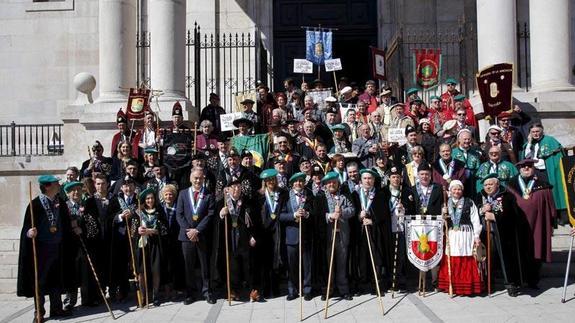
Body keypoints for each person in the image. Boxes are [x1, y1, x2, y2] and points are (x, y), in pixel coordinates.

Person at [17, 175, 74, 322]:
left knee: (56, 280)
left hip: (58, 248)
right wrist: (29, 233)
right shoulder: (34, 205)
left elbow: (65, 223)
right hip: (41, 250)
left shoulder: (60, 202)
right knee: (40, 282)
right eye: (56, 184)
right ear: (47, 186)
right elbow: (26, 228)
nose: (59, 185)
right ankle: (39, 312)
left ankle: (56, 309)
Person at [507, 159, 556, 288]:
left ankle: (533, 280)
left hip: (537, 226)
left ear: (534, 168)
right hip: (517, 226)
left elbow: (551, 207)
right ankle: (517, 281)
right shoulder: (511, 185)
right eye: (523, 166)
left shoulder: (543, 185)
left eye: (529, 166)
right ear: (519, 168)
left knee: (535, 252)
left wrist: (551, 224)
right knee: (517, 253)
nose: (526, 168)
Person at [475, 175, 526, 297]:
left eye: (490, 184)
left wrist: (495, 217)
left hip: (503, 233)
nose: (487, 187)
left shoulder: (507, 196)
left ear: (497, 185)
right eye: (486, 185)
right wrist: (482, 209)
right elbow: (473, 210)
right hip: (485, 233)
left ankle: (510, 284)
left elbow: (512, 214)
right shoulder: (480, 195)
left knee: (506, 258)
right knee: (487, 259)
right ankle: (488, 284)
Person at [177, 168, 216, 304]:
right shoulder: (182, 194)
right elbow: (179, 214)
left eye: (200, 178)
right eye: (195, 178)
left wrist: (197, 230)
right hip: (186, 236)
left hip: (202, 235)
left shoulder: (209, 195)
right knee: (189, 266)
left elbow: (210, 214)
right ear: (190, 178)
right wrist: (189, 230)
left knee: (205, 265)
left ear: (203, 179)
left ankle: (207, 292)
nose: (198, 180)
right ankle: (190, 293)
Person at [217, 179, 261, 301]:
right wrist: (221, 215)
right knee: (233, 266)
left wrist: (252, 235)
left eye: (238, 187)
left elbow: (254, 221)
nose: (236, 189)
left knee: (248, 266)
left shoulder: (247, 202)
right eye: (234, 187)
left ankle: (252, 291)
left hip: (244, 237)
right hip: (230, 238)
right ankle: (233, 290)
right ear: (228, 189)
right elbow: (216, 224)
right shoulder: (223, 203)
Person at [314, 172, 355, 300]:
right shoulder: (320, 197)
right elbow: (318, 215)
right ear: (325, 185)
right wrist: (329, 216)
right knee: (328, 264)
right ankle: (328, 289)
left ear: (338, 183)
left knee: (342, 263)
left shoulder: (344, 196)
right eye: (329, 182)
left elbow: (352, 210)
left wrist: (342, 211)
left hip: (342, 234)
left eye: (334, 182)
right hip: (328, 235)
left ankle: (343, 289)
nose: (332, 184)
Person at [437, 180, 483, 295]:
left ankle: (466, 287)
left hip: (466, 233)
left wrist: (476, 236)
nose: (456, 191)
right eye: (454, 189)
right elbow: (442, 223)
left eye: (459, 189)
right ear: (450, 191)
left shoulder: (469, 202)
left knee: (466, 256)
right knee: (452, 256)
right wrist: (443, 215)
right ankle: (452, 285)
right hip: (452, 234)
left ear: (462, 191)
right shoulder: (445, 203)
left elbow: (475, 219)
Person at [64, 181, 102, 308]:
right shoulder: (64, 207)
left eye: (79, 190)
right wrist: (71, 229)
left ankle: (87, 299)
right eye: (73, 190)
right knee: (71, 273)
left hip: (84, 244)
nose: (76, 192)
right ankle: (70, 301)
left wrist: (82, 230)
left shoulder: (86, 206)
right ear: (68, 193)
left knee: (86, 272)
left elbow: (92, 224)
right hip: (69, 246)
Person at [353, 169, 392, 295]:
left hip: (375, 231)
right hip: (360, 232)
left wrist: (372, 221)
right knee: (361, 258)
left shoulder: (380, 195)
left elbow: (384, 214)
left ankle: (377, 284)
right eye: (365, 178)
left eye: (370, 178)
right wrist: (360, 216)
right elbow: (351, 213)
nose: (367, 181)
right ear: (361, 180)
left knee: (376, 258)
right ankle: (362, 285)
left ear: (374, 180)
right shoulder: (355, 194)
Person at [280, 172, 314, 301]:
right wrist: (294, 215)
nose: (298, 183)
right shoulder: (286, 197)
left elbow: (314, 213)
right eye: (296, 181)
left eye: (301, 181)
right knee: (291, 265)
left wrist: (307, 214)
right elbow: (281, 216)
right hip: (291, 236)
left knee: (307, 264)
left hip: (306, 235)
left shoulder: (309, 195)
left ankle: (307, 289)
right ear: (292, 184)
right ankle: (292, 290)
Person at [133, 187, 168, 306]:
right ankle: (143, 296)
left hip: (155, 244)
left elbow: (163, 229)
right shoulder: (138, 212)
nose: (150, 200)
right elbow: (133, 231)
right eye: (147, 198)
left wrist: (150, 231)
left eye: (152, 198)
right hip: (142, 245)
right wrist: (138, 230)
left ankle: (156, 295)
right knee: (142, 271)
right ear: (144, 200)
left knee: (156, 270)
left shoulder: (159, 211)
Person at [521, 123, 566, 212]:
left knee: (553, 192)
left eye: (537, 131)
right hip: (536, 172)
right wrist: (529, 142)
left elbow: (558, 156)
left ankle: (559, 214)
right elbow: (526, 156)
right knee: (540, 195)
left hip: (548, 171)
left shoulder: (550, 140)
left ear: (542, 131)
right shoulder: (529, 143)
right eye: (533, 132)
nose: (535, 134)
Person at [257, 168, 288, 298]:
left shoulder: (283, 193)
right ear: (264, 181)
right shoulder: (259, 195)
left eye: (272, 179)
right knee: (265, 261)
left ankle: (275, 288)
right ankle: (265, 288)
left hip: (278, 231)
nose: (271, 182)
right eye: (268, 180)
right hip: (264, 231)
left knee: (276, 260)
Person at [106, 177, 138, 302]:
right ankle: (122, 290)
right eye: (125, 186)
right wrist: (119, 216)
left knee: (135, 263)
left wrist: (135, 214)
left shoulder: (139, 199)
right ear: (121, 188)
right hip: (119, 238)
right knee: (120, 265)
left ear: (134, 187)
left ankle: (140, 290)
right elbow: (108, 219)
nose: (128, 188)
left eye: (130, 185)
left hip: (135, 237)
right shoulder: (115, 200)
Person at [384, 166, 415, 290]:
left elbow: (413, 208)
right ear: (389, 178)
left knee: (401, 254)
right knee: (390, 254)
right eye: (393, 177)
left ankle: (400, 279)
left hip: (401, 227)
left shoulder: (406, 191)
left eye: (398, 177)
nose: (396, 179)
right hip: (388, 227)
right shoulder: (384, 191)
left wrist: (405, 207)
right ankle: (390, 279)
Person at [160, 184, 185, 299]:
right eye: (166, 194)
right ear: (163, 196)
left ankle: (177, 288)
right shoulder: (160, 208)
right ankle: (166, 288)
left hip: (176, 240)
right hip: (163, 241)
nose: (168, 196)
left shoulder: (179, 207)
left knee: (177, 264)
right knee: (165, 264)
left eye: (170, 194)